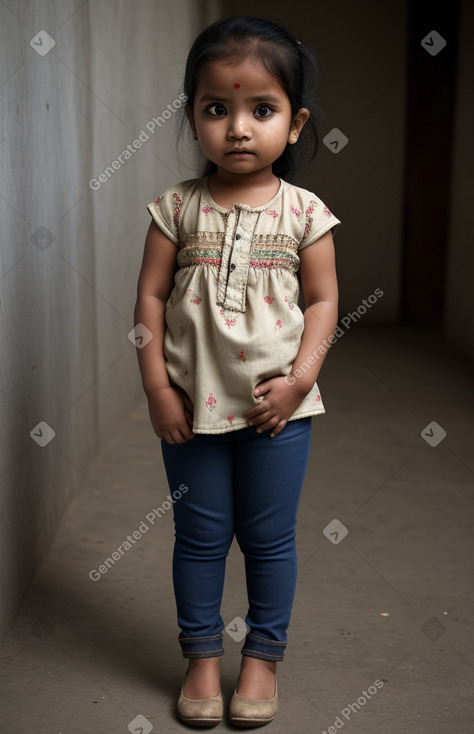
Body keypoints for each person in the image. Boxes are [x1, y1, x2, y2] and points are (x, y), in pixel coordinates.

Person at [134, 15, 341, 727]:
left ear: (295, 121)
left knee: (267, 539)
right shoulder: (175, 210)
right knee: (197, 537)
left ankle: (259, 660)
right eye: (216, 109)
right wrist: (158, 387)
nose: (238, 128)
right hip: (190, 412)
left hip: (275, 414)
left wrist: (298, 381)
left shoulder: (305, 214)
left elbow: (322, 302)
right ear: (192, 116)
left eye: (262, 109)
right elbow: (150, 300)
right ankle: (199, 657)